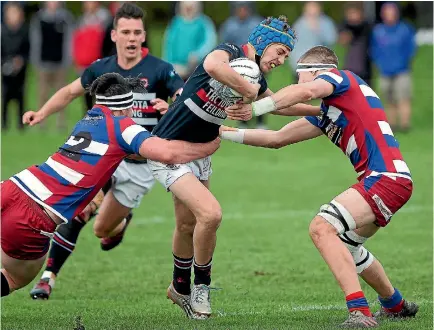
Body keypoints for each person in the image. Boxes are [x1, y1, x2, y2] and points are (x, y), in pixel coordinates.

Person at [222, 45, 418, 328]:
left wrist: (256, 107)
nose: (301, 83)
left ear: (316, 73)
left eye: (301, 76)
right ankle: (395, 304)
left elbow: (304, 93)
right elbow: (276, 139)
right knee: (349, 245)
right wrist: (223, 133)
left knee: (321, 227)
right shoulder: (333, 111)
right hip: (390, 179)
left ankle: (359, 312)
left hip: (385, 178)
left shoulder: (343, 78)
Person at [150, 16, 317, 319]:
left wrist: (324, 110)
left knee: (188, 225)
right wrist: (247, 90)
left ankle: (179, 288)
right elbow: (214, 66)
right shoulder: (229, 51)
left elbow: (280, 104)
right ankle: (201, 287)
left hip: (200, 152)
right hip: (168, 148)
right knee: (210, 214)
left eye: (285, 56)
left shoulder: (256, 79)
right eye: (279, 51)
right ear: (263, 42)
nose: (281, 60)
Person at [1, 72, 220, 298]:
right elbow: (167, 153)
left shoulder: (88, 119)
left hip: (12, 187)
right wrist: (208, 147)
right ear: (126, 109)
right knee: (16, 277)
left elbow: (119, 152)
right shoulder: (123, 126)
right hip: (33, 216)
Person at [24, 3, 185, 300]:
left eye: (137, 32)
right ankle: (48, 277)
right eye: (125, 32)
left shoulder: (160, 69)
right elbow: (70, 92)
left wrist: (171, 106)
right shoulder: (101, 68)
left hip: (139, 164)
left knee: (102, 230)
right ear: (114, 35)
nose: (132, 38)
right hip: (105, 157)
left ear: (144, 35)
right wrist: (42, 113)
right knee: (81, 210)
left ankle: (121, 223)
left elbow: (184, 97)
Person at [219, 1, 267, 129]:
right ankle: (242, 121)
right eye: (239, 8)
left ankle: (260, 121)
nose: (242, 11)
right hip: (238, 66)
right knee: (239, 93)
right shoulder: (229, 25)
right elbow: (224, 45)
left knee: (259, 92)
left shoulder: (257, 24)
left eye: (245, 8)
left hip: (256, 63)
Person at [371, 2, 416, 132]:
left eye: (391, 12)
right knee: (389, 99)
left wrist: (404, 61)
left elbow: (411, 49)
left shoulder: (404, 29)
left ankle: (405, 125)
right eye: (386, 12)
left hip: (402, 70)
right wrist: (379, 62)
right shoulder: (378, 31)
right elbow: (374, 49)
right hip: (385, 71)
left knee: (403, 97)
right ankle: (392, 125)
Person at [30, 1, 74, 131]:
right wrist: (35, 60)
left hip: (60, 63)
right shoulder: (38, 19)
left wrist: (68, 60)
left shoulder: (66, 19)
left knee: (62, 94)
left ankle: (61, 122)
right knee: (42, 94)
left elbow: (69, 40)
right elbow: (35, 40)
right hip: (43, 63)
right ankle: (41, 121)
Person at [162, 1, 217, 80]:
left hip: (198, 68)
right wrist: (169, 64)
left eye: (191, 6)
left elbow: (210, 42)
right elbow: (169, 44)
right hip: (177, 68)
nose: (188, 9)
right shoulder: (176, 23)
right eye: (186, 6)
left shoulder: (204, 23)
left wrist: (197, 55)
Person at [1, 2, 29, 131]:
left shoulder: (24, 31)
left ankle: (21, 124)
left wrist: (21, 60)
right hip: (5, 70)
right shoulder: (3, 32)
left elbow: (28, 50)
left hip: (20, 71)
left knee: (20, 96)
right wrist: (5, 62)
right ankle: (4, 124)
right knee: (6, 97)